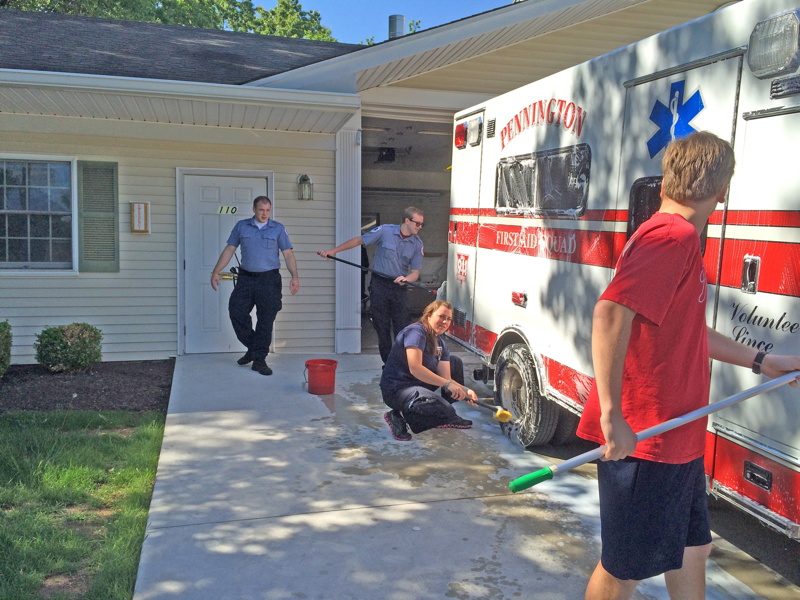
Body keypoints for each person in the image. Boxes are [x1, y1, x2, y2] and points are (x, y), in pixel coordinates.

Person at [575, 131, 800, 600]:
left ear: (665, 183)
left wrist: (763, 360)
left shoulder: (677, 237)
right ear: (723, 191)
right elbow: (609, 313)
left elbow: (690, 328)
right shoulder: (671, 237)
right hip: (647, 438)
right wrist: (612, 416)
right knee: (623, 570)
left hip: (678, 434)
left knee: (693, 549)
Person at [319, 207, 425, 363]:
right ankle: (387, 364)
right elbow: (359, 241)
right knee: (381, 327)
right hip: (379, 284)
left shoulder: (417, 244)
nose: (420, 227)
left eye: (422, 224)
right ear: (407, 220)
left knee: (403, 328)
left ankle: (400, 364)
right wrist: (334, 251)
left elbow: (415, 273)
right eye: (418, 223)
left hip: (399, 288)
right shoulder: (385, 231)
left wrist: (406, 279)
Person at [210, 196, 299, 376]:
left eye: (267, 210)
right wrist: (216, 271)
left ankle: (259, 360)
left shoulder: (278, 228)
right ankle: (254, 348)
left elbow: (288, 254)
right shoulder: (242, 226)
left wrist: (295, 276)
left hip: (269, 280)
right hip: (246, 279)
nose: (264, 214)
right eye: (261, 210)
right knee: (236, 311)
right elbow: (229, 250)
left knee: (265, 319)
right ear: (254, 209)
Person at [379, 299, 479, 441]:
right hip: (397, 389)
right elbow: (415, 368)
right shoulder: (416, 332)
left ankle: (448, 416)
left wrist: (465, 390)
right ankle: (398, 416)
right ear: (429, 315)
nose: (445, 322)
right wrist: (447, 384)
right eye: (441, 316)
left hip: (417, 385)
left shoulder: (441, 343)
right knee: (443, 410)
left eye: (448, 319)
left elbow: (447, 377)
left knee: (454, 362)